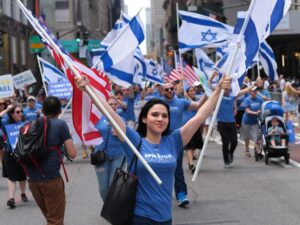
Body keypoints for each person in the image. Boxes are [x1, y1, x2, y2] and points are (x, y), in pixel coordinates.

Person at [75, 74, 231, 224]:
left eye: (164, 116)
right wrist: (88, 89)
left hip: (165, 218)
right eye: (155, 115)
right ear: (144, 118)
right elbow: (109, 112)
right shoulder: (134, 141)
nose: (160, 119)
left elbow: (200, 115)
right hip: (140, 217)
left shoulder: (174, 140)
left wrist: (218, 90)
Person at [25, 96, 77, 225]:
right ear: (59, 111)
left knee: (50, 217)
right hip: (51, 179)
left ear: (42, 110)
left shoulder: (31, 124)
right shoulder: (61, 124)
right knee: (55, 220)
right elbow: (72, 153)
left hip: (32, 179)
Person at [93, 96, 125, 200]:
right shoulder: (97, 119)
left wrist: (119, 132)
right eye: (110, 104)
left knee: (113, 184)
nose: (113, 106)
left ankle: (112, 210)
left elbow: (125, 137)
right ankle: (107, 207)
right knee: (103, 188)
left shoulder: (121, 119)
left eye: (115, 104)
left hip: (118, 155)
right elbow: (91, 134)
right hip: (101, 156)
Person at [1, 105, 28, 209]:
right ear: (12, 114)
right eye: (17, 112)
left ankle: (23, 193)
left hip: (22, 154)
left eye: (21, 111)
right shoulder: (6, 124)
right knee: (11, 177)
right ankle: (11, 198)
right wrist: (7, 109)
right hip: (10, 154)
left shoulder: (25, 124)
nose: (20, 113)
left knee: (22, 176)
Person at [183, 86, 203, 173]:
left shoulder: (196, 100)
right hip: (187, 126)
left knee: (198, 144)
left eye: (193, 90)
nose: (193, 92)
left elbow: (196, 106)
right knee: (189, 146)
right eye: (190, 91)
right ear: (187, 92)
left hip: (196, 125)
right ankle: (191, 164)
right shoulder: (183, 100)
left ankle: (191, 158)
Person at [240, 87, 264, 158]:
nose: (253, 93)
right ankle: (247, 150)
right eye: (252, 91)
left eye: (255, 91)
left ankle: (258, 151)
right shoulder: (247, 100)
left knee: (256, 137)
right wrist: (256, 112)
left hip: (255, 121)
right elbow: (247, 111)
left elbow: (262, 107)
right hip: (247, 121)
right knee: (246, 137)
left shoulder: (259, 99)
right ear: (250, 92)